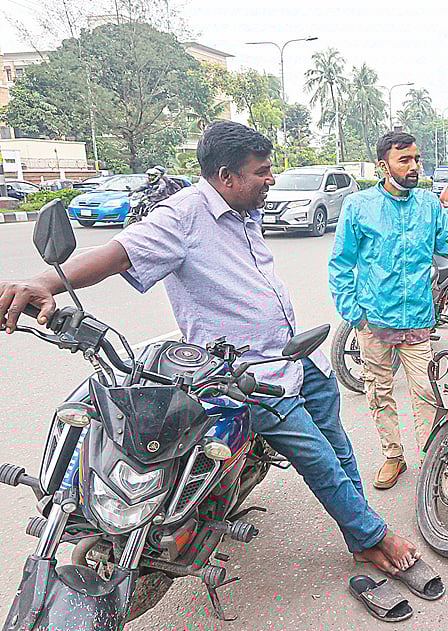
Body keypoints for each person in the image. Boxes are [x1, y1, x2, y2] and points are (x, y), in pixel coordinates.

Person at [0, 121, 419, 577]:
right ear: (227, 176)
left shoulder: (243, 208)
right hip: (248, 375)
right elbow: (118, 253)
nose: (271, 180)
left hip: (295, 355)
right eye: (262, 172)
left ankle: (360, 523)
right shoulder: (181, 216)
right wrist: (43, 281)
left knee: (338, 443)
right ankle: (370, 538)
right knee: (320, 460)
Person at [329, 131, 448, 490]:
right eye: (405, 160)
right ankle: (392, 455)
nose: (414, 166)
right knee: (378, 391)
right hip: (373, 321)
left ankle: (429, 461)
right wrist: (356, 314)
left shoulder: (430, 205)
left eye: (416, 158)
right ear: (383, 165)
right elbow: (341, 264)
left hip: (417, 319)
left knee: (426, 393)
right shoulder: (359, 207)